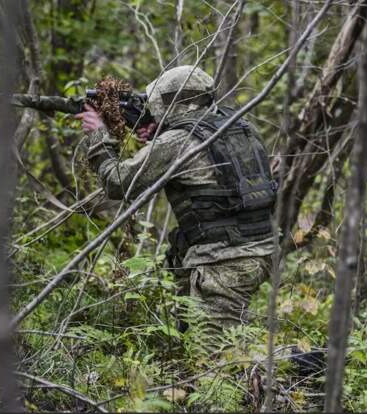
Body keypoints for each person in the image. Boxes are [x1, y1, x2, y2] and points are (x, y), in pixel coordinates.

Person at [75, 66, 277, 345]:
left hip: (224, 263)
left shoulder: (179, 141)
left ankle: (308, 363)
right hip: (258, 250)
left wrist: (99, 136)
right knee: (209, 340)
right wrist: (161, 136)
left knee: (216, 360)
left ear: (167, 102)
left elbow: (118, 183)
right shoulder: (240, 127)